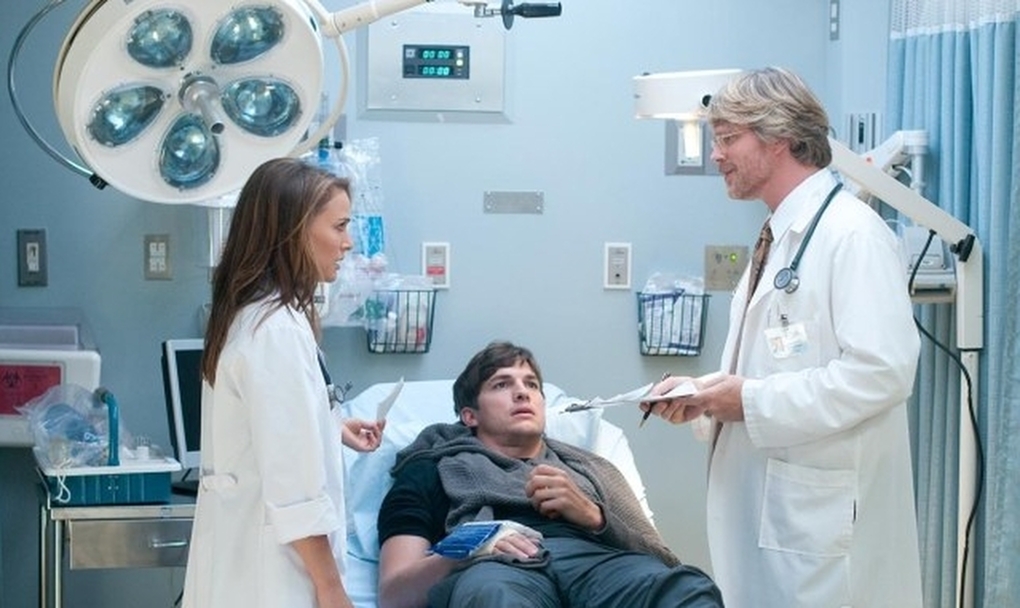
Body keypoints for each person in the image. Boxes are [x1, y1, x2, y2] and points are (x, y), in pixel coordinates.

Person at [643, 67, 924, 607]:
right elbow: (773, 365)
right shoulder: (781, 235)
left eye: (728, 138)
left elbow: (882, 373)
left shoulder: (852, 236)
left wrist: (746, 401)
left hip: (820, 531)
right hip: (779, 518)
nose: (715, 155)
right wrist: (705, 396)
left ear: (779, 138)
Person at [376, 340, 723, 608]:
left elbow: (658, 556)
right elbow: (395, 593)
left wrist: (593, 516)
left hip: (595, 565)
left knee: (687, 588)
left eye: (531, 384)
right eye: (501, 384)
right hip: (496, 570)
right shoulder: (432, 468)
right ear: (470, 416)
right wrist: (473, 550)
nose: (522, 392)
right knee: (496, 597)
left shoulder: (589, 468)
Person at [182, 157, 386, 608]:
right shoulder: (276, 332)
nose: (348, 243)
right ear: (294, 231)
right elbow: (295, 488)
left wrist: (331, 427)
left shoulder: (252, 315)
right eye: (339, 226)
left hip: (243, 563)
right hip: (274, 576)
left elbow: (268, 430)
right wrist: (331, 588)